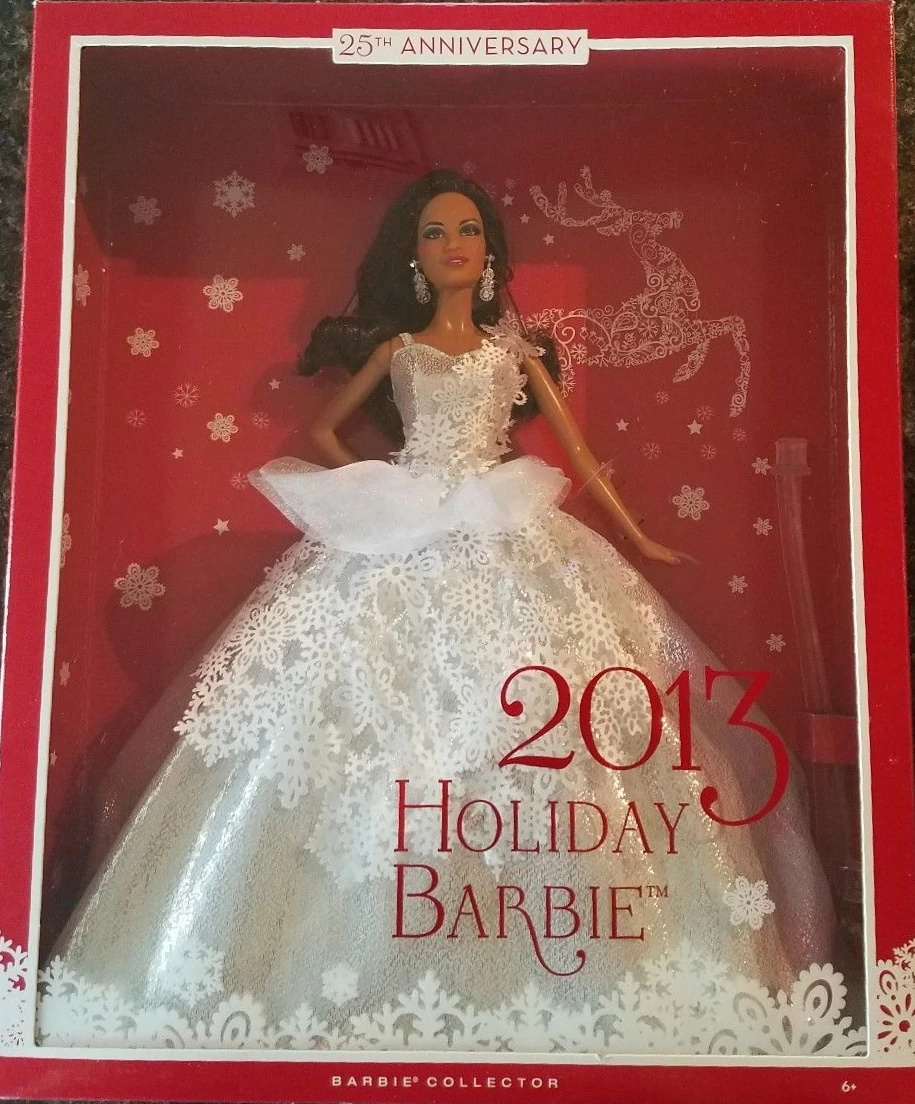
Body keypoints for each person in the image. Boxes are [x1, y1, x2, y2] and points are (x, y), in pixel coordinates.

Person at [37, 170, 841, 1055]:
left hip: (506, 525)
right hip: (407, 524)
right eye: (433, 233)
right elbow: (328, 431)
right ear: (413, 258)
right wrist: (379, 488)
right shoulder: (401, 351)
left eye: (465, 230)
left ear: (488, 252)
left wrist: (640, 537)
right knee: (341, 715)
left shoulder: (513, 354)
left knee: (550, 714)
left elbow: (582, 456)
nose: (452, 245)